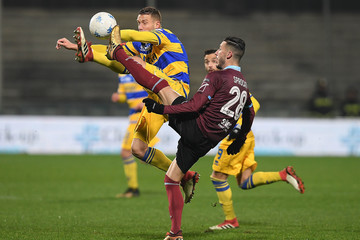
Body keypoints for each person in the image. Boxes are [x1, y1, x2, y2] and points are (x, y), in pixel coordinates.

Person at [107, 26, 255, 240]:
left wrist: (161, 109)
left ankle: (118, 52)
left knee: (161, 86)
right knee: (171, 178)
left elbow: (194, 106)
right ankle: (175, 234)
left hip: (195, 127)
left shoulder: (217, 77)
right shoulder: (244, 87)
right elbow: (249, 113)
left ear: (229, 54)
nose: (217, 54)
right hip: (207, 143)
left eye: (220, 51)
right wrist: (239, 139)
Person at [56, 7, 199, 203]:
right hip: (155, 99)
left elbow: (128, 39)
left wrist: (114, 33)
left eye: (144, 23)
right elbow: (117, 60)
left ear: (157, 25)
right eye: (138, 22)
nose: (140, 27)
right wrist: (84, 50)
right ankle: (185, 176)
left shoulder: (166, 36)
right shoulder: (141, 46)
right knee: (137, 149)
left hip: (174, 89)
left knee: (134, 62)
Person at [202, 50, 305, 231]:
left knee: (218, 177)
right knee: (244, 182)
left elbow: (254, 103)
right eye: (206, 62)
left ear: (220, 61)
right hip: (246, 137)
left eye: (213, 61)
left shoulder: (225, 80)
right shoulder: (221, 80)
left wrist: (237, 127)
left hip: (235, 139)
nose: (209, 65)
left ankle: (230, 220)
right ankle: (283, 174)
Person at [111, 74, 159, 198]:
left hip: (143, 114)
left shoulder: (140, 66)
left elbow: (155, 87)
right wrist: (119, 97)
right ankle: (181, 175)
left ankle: (133, 189)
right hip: (133, 115)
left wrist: (147, 103)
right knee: (141, 155)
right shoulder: (121, 73)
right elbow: (125, 96)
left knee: (126, 152)